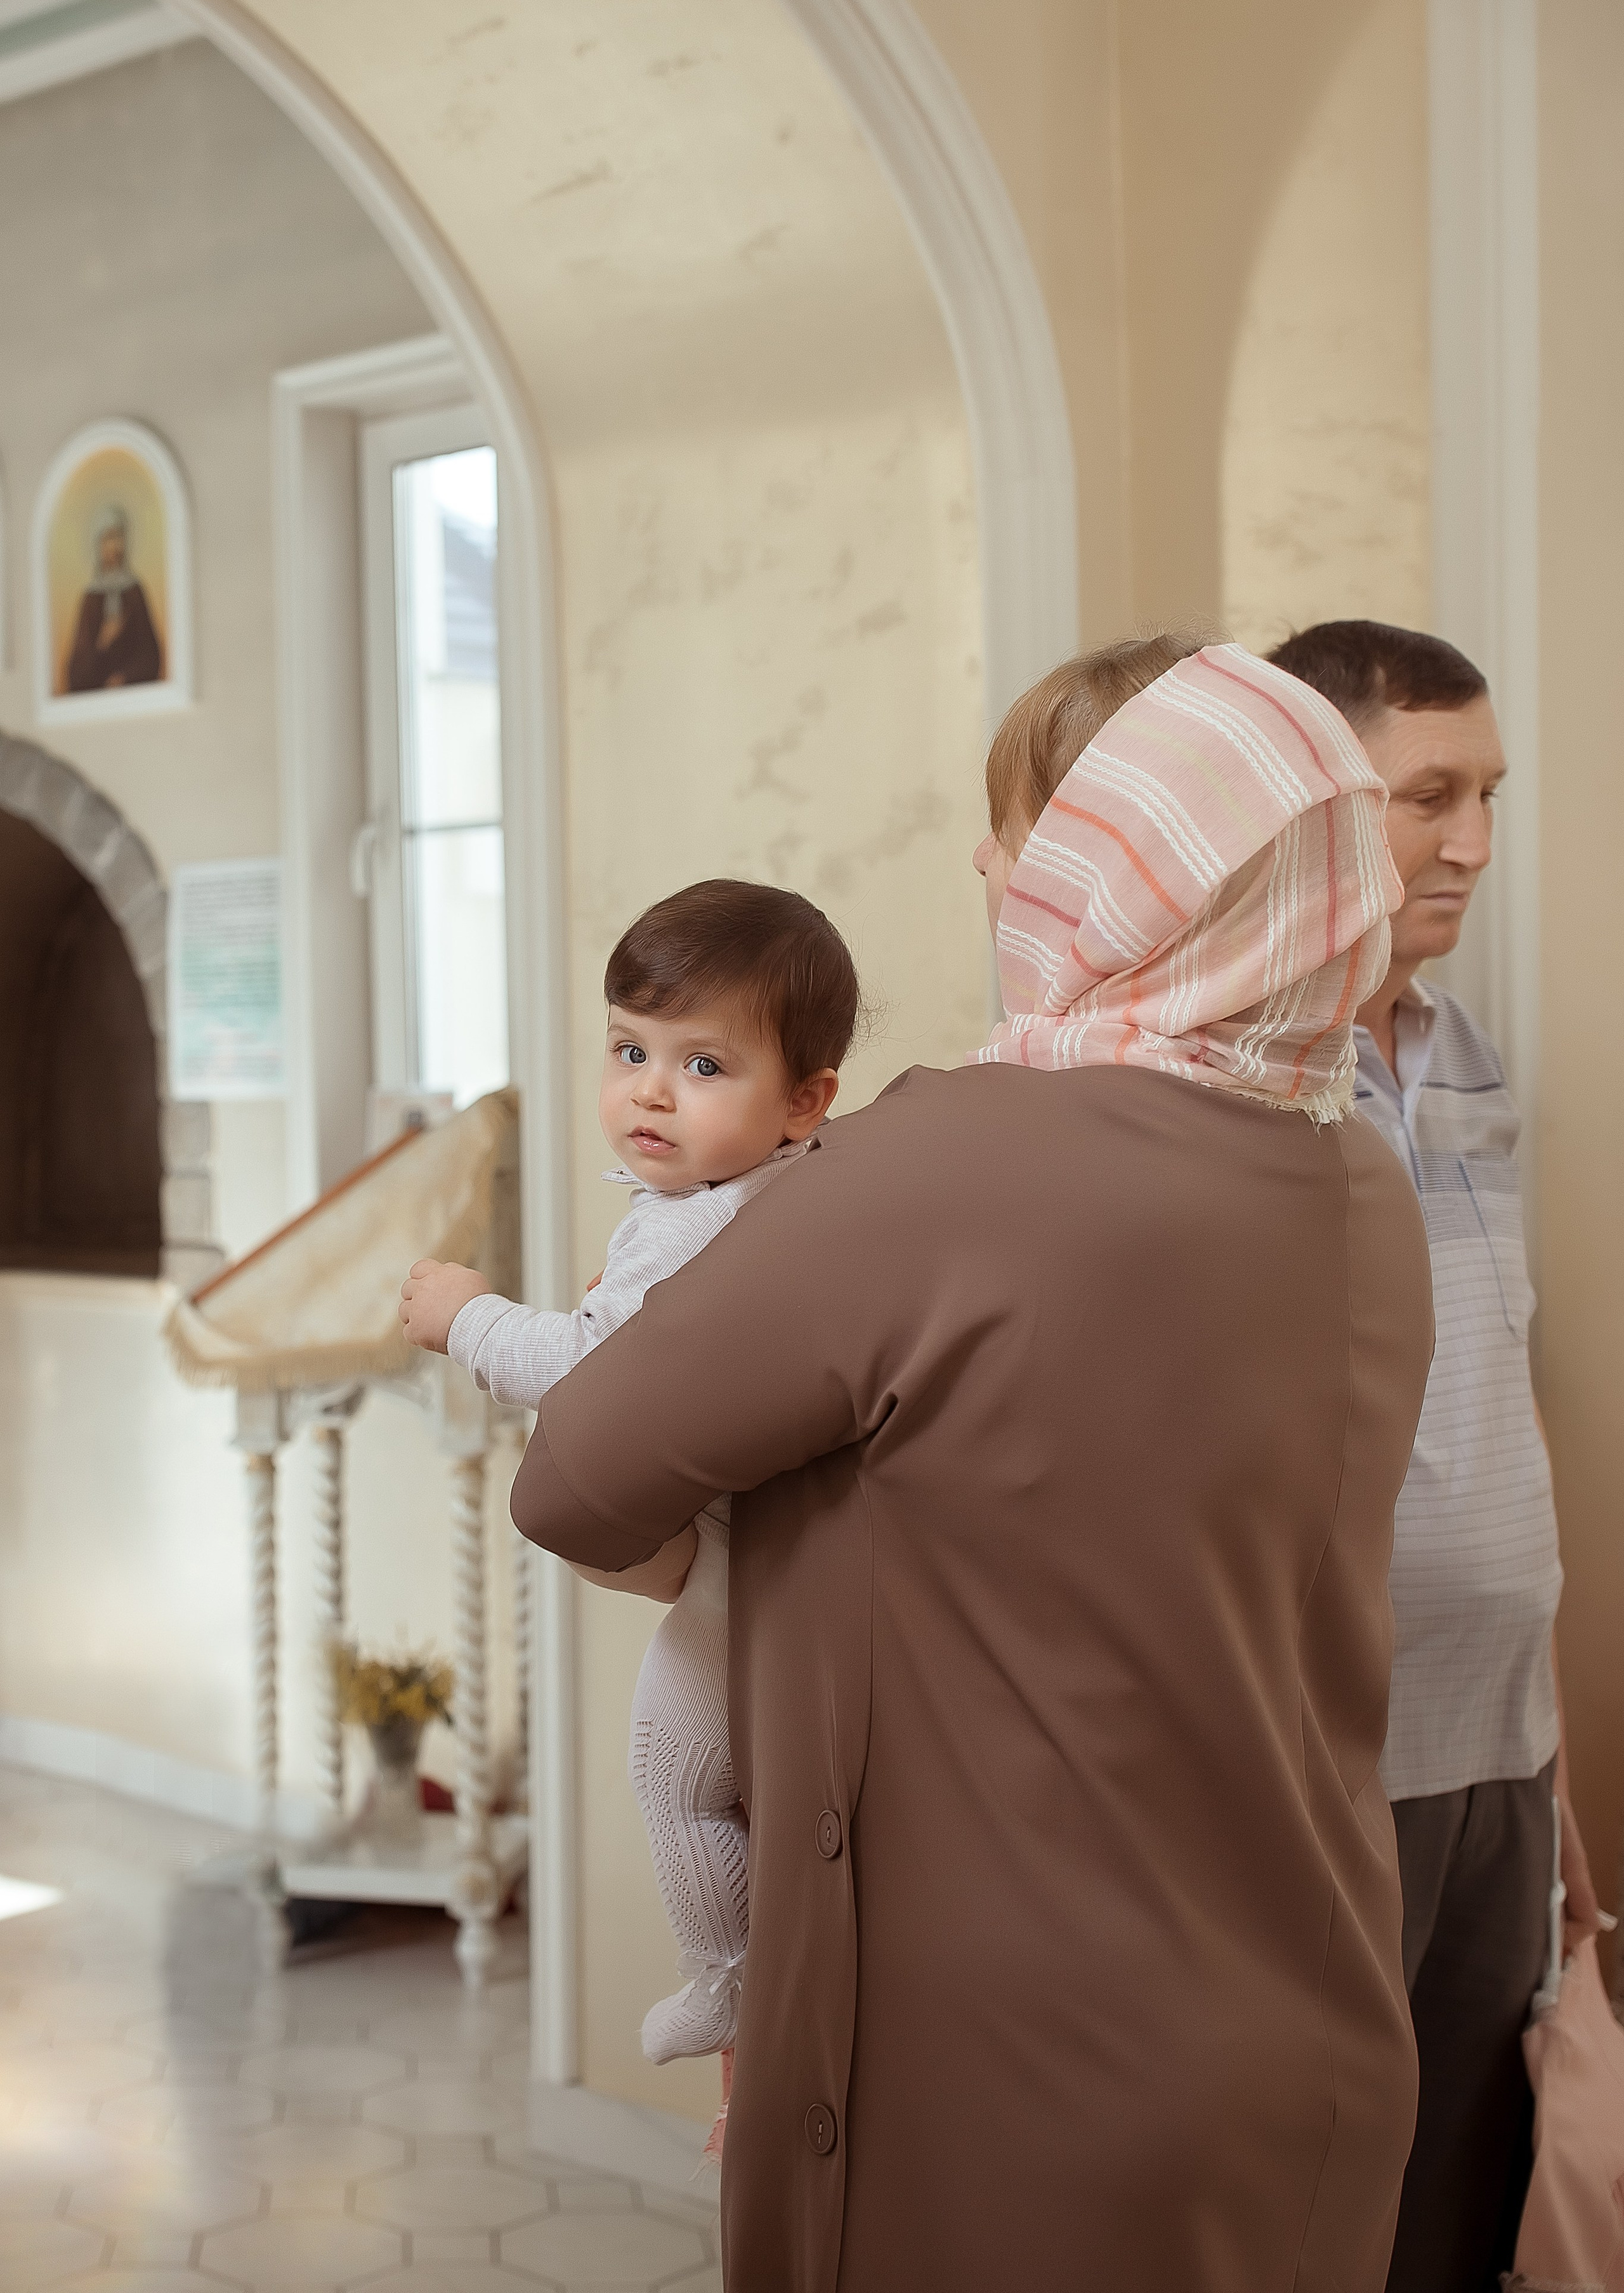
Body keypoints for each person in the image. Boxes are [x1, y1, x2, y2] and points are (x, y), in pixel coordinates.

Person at [509, 635, 1435, 2293]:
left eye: (1033, 828)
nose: (998, 870)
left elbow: (576, 1474)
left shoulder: (944, 1163)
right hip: (1314, 2024)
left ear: (1121, 872)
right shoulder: (1360, 1183)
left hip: (1013, 2066)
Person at [1271, 619, 1600, 2293]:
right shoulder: (1243, 1084)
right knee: (1324, 2196)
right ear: (1316, 801)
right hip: (1337, 1747)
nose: (1475, 841)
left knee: (1471, 2191)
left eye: (1486, 796)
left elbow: (1500, 1363)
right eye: (1431, 797)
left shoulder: (1463, 1056)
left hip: (1507, 1738)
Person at [399, 879, 856, 2069]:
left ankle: (731, 1980)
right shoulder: (794, 1186)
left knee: (678, 1775)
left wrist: (469, 1319)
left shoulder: (703, 1228)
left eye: (705, 1066)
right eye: (630, 1048)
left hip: (743, 1564)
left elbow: (601, 1376)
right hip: (771, 1546)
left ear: (804, 1100)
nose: (650, 1089)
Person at [62, 505, 162, 693]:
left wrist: (125, 678)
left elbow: (151, 655)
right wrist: (102, 642)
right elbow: (76, 673)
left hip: (132, 691)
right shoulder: (91, 598)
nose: (116, 546)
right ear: (98, 544)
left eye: (120, 537)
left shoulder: (134, 590)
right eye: (109, 538)